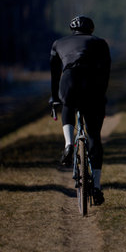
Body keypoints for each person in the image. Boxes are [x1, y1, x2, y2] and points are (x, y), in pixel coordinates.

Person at [49, 15, 111, 206]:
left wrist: (54, 98)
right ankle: (97, 187)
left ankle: (69, 144)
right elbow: (105, 70)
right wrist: (101, 94)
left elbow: (54, 73)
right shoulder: (99, 42)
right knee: (94, 137)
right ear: (91, 30)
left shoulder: (58, 43)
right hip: (92, 84)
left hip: (69, 80)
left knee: (68, 104)